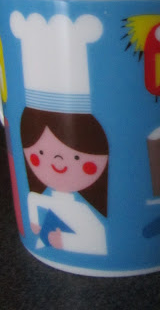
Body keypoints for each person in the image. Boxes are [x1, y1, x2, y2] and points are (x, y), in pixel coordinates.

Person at [20, 107, 109, 256]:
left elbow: (97, 239)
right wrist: (34, 222)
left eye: (76, 157)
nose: (58, 161)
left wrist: (63, 241)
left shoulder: (83, 210)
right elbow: (33, 199)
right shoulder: (43, 198)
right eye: (41, 152)